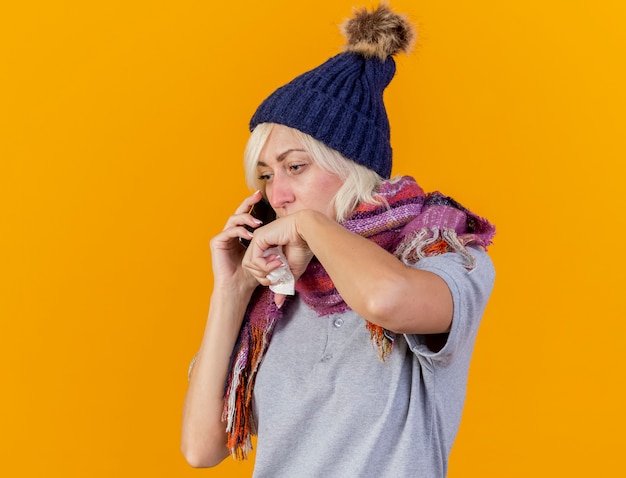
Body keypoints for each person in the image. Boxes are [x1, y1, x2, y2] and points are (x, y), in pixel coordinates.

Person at [181, 4, 496, 477]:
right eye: (265, 175)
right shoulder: (278, 291)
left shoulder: (441, 254)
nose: (277, 194)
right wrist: (232, 291)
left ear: (350, 166)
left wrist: (309, 225)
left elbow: (386, 299)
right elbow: (201, 448)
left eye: (295, 166)